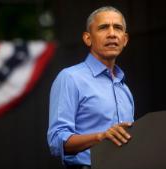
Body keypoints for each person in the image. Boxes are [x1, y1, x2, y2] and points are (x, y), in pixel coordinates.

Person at [47, 6, 134, 169]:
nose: (112, 34)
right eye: (103, 28)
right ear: (88, 38)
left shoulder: (125, 89)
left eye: (118, 28)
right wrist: (100, 137)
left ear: (125, 39)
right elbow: (56, 140)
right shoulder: (70, 78)